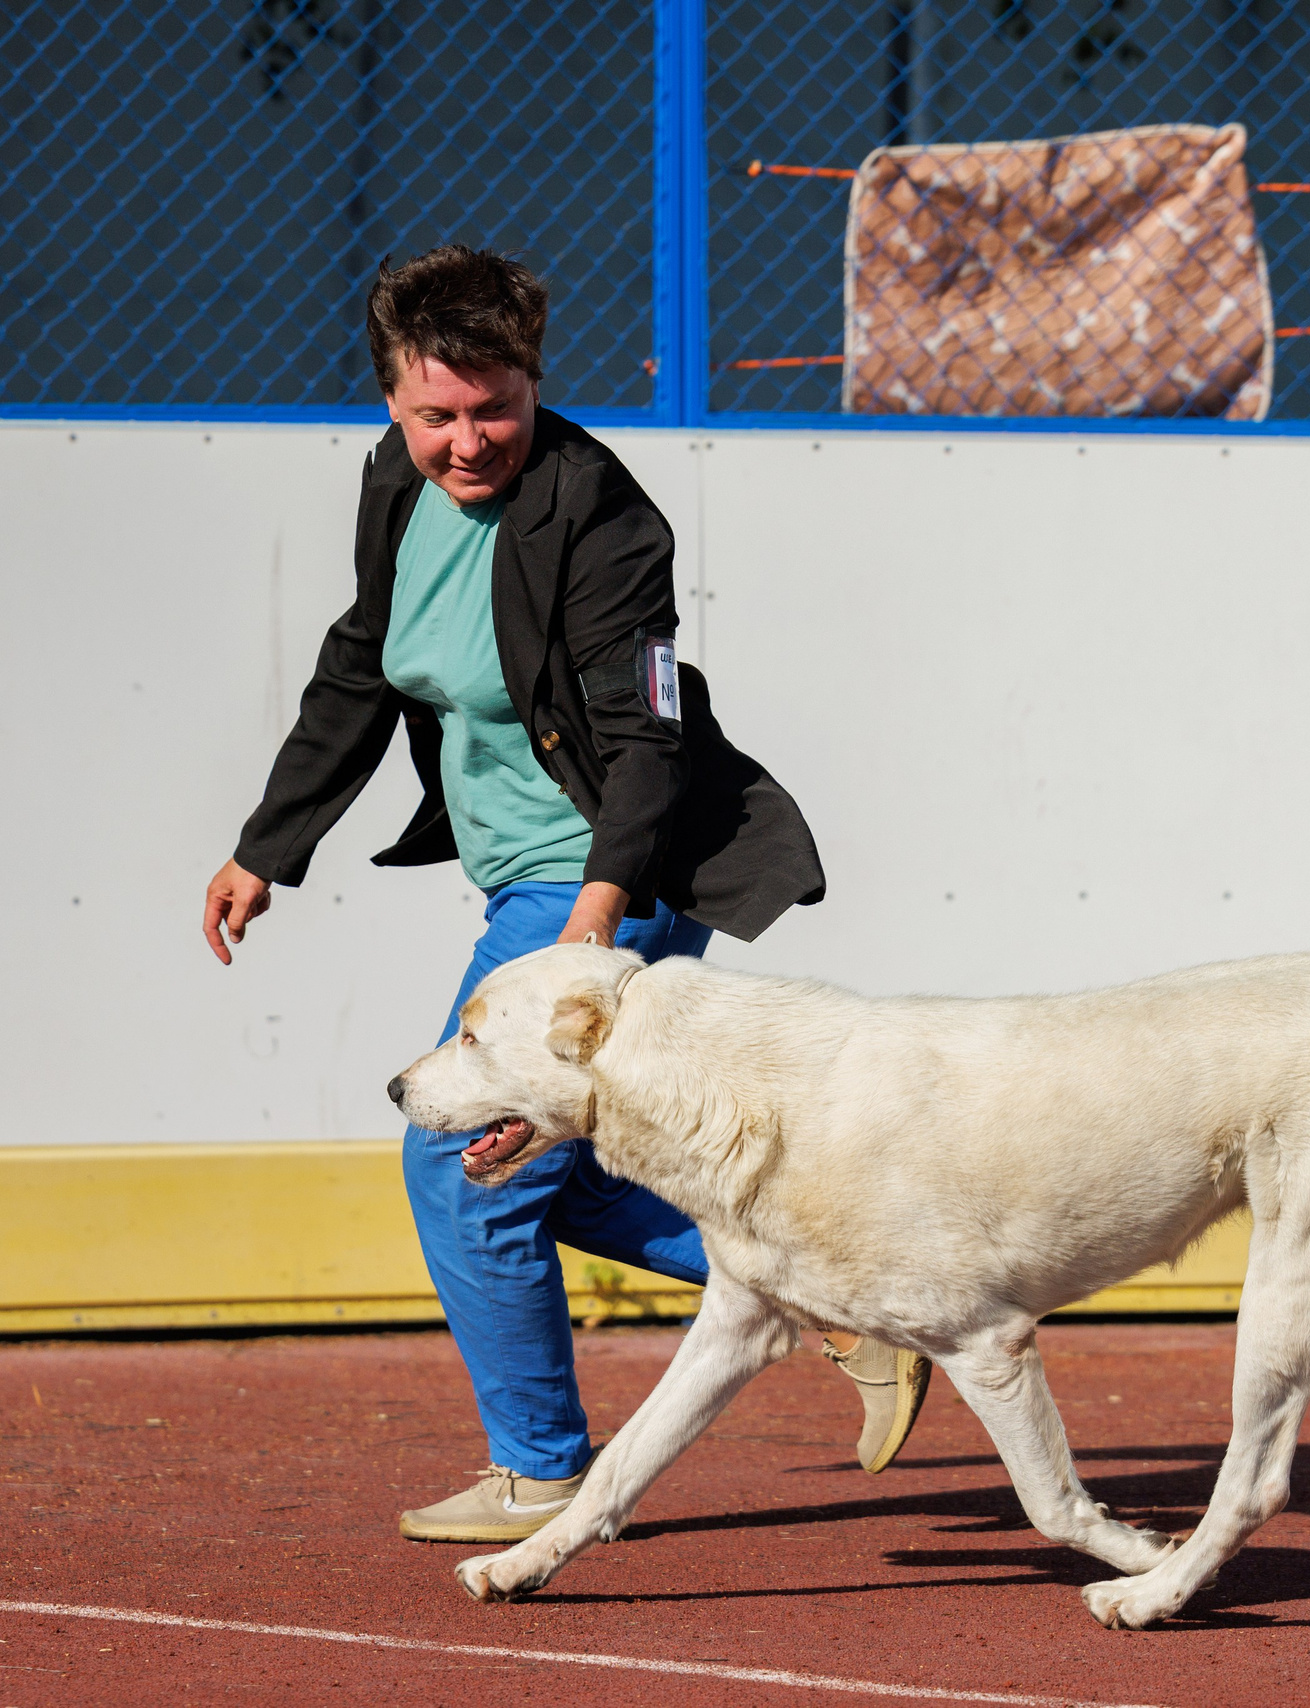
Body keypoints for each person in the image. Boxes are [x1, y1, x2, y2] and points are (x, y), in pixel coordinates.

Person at [200, 245, 929, 1543]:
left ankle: (542, 1472)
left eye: (499, 408)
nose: (470, 440)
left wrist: (598, 916)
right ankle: (850, 1293)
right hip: (528, 882)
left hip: (616, 865)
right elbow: (362, 667)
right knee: (564, 1173)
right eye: (438, 414)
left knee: (460, 1161)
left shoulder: (602, 514)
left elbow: (644, 741)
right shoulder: (395, 487)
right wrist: (269, 845)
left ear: (536, 385)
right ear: (389, 404)